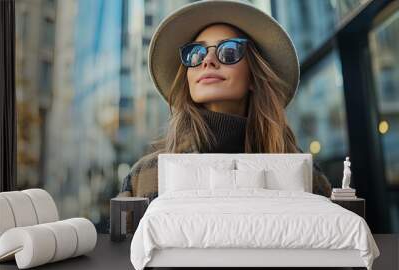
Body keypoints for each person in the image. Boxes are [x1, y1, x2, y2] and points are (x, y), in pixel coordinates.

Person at [117, 0, 332, 203]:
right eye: (195, 53)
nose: (208, 60)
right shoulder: (146, 175)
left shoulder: (303, 173)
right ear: (188, 77)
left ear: (253, 76)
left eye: (229, 51)